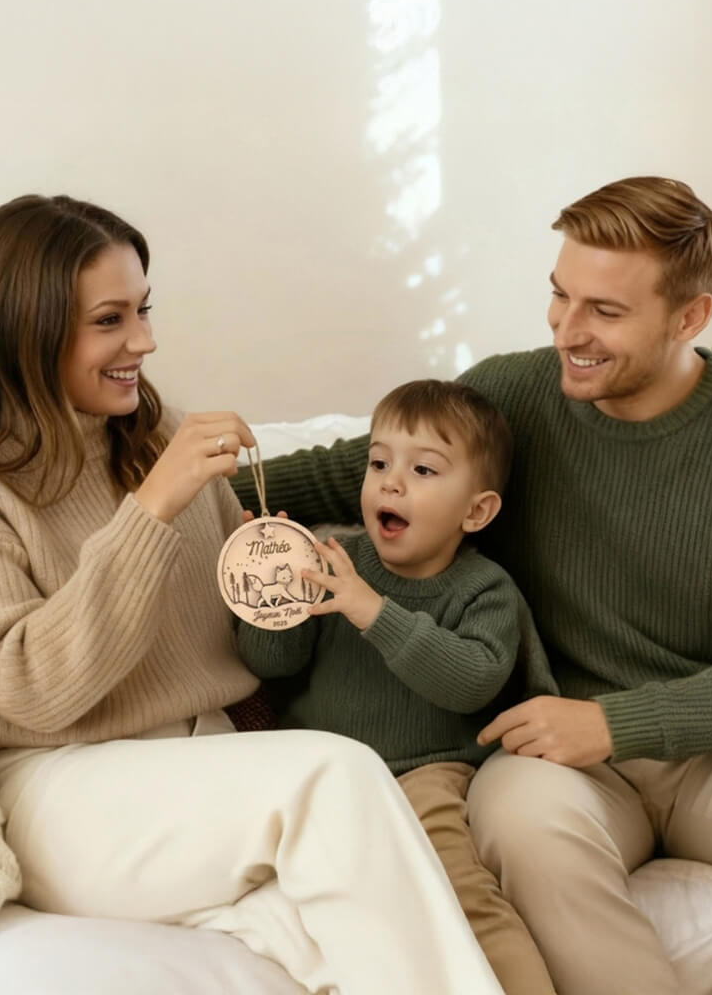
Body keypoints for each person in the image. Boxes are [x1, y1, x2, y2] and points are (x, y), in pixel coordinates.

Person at [232, 176, 712, 994]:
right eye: (559, 295)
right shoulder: (512, 394)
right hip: (558, 756)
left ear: (690, 316)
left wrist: (616, 721)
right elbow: (351, 473)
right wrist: (178, 486)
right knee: (520, 821)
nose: (567, 331)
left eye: (604, 311)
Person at [0, 194, 507, 995]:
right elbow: (32, 688)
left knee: (350, 937)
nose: (144, 340)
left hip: (211, 768)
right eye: (110, 320)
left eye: (143, 310)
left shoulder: (155, 436)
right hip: (60, 784)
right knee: (333, 777)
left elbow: (243, 609)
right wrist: (151, 510)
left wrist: (293, 567)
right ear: (27, 331)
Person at [236, 378, 559, 995]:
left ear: (476, 512)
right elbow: (270, 664)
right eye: (379, 463)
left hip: (423, 773)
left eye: (423, 470)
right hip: (321, 774)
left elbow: (472, 682)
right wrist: (274, 594)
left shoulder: (484, 590)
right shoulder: (334, 562)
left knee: (457, 892)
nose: (390, 483)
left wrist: (373, 612)